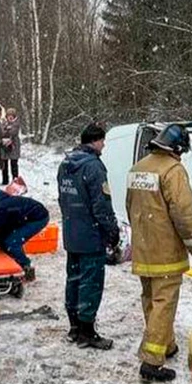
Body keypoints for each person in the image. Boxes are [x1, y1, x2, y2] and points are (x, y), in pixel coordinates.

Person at [125, 124, 192, 383]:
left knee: (150, 298)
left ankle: (166, 343)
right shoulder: (173, 171)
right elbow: (184, 215)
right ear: (177, 148)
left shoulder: (138, 168)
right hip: (165, 252)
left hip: (143, 248)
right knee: (164, 303)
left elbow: (129, 206)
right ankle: (151, 362)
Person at [57, 123, 120, 350]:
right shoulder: (94, 167)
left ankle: (74, 326)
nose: (103, 145)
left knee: (73, 280)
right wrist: (112, 231)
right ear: (94, 141)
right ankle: (87, 331)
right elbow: (101, 204)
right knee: (91, 283)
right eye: (102, 140)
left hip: (72, 232)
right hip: (91, 235)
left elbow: (62, 198)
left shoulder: (65, 164)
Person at [1, 107, 22, 185]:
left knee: (14, 164)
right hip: (4, 145)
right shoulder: (3, 122)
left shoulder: (16, 123)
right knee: (4, 164)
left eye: (12, 115)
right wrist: (7, 129)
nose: (10, 117)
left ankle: (15, 180)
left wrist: (6, 130)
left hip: (14, 145)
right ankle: (5, 180)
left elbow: (13, 132)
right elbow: (1, 132)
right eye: (9, 115)